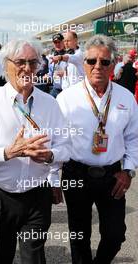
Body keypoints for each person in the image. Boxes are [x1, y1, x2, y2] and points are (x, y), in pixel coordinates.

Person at [0, 39, 70, 264]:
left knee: (34, 257)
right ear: (6, 65)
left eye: (33, 62)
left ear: (40, 66)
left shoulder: (50, 103)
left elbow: (66, 148)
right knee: (0, 256)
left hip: (36, 196)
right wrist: (8, 152)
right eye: (20, 62)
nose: (27, 68)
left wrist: (50, 156)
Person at [57, 35, 138, 264]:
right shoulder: (66, 99)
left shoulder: (126, 97)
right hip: (76, 174)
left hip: (113, 175)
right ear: (83, 63)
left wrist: (128, 171)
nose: (97, 67)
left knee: (115, 235)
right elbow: (56, 141)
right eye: (92, 61)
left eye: (105, 62)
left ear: (113, 64)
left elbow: (134, 138)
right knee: (79, 235)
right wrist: (54, 179)